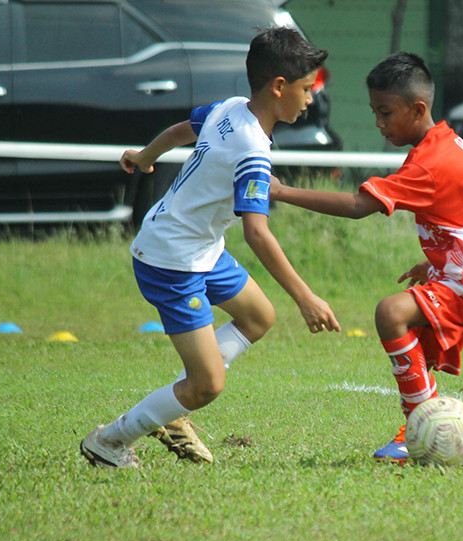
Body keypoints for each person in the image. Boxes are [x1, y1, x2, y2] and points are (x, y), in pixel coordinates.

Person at [80, 27, 340, 468]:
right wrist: (306, 296)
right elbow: (258, 233)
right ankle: (109, 441)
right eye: (306, 89)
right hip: (172, 262)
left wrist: (146, 157)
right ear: (279, 87)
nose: (310, 99)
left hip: (197, 246)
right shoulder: (252, 151)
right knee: (208, 386)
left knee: (258, 316)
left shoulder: (232, 108)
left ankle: (174, 408)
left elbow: (184, 129)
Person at [270, 52, 463, 463]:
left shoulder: (430, 162)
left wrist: (281, 192)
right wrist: (439, 262)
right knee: (412, 334)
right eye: (374, 112)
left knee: (391, 313)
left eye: (385, 112)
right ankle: (423, 424)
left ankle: (416, 427)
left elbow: (357, 205)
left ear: (418, 108)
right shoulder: (444, 144)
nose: (378, 123)